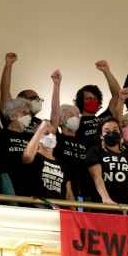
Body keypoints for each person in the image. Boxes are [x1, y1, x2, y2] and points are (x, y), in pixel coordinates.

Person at [50, 70, 91, 201]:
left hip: (85, 190)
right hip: (64, 188)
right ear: (61, 119)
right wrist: (57, 85)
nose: (76, 118)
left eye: (77, 116)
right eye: (70, 115)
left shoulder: (84, 139)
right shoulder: (56, 137)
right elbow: (54, 113)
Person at [88, 118, 128, 205]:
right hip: (106, 208)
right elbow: (97, 177)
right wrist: (106, 198)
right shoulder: (95, 152)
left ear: (120, 133)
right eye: (107, 131)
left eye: (115, 129)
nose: (111, 133)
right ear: (101, 135)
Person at [74, 60, 123, 148]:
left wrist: (106, 71)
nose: (93, 101)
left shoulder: (105, 119)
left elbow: (118, 96)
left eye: (95, 99)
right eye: (89, 98)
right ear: (81, 102)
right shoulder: (76, 122)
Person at [0, 96, 34, 195]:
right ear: (12, 115)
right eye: (24, 113)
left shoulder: (31, 138)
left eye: (29, 114)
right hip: (8, 188)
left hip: (29, 189)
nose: (28, 117)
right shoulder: (1, 135)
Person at [22, 121, 65, 199]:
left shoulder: (61, 163)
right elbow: (27, 156)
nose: (51, 136)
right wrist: (41, 129)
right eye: (46, 133)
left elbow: (68, 191)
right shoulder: (34, 157)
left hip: (56, 207)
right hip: (37, 206)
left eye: (53, 133)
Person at [0, 53, 43, 131]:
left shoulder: (40, 123)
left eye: (38, 98)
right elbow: (5, 90)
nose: (38, 101)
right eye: (33, 98)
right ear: (21, 101)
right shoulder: (12, 116)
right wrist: (9, 65)